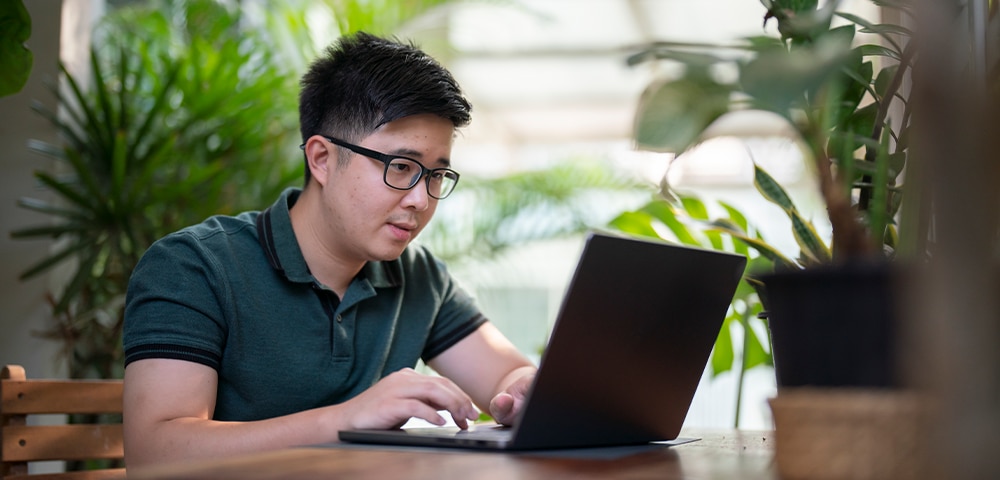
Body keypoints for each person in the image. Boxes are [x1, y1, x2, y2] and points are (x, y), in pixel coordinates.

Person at [121, 31, 536, 469]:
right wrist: (347, 420)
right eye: (401, 167)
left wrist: (524, 388)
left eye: (436, 175)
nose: (421, 199)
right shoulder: (194, 266)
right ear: (320, 159)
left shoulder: (418, 277)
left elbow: (506, 376)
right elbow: (154, 454)